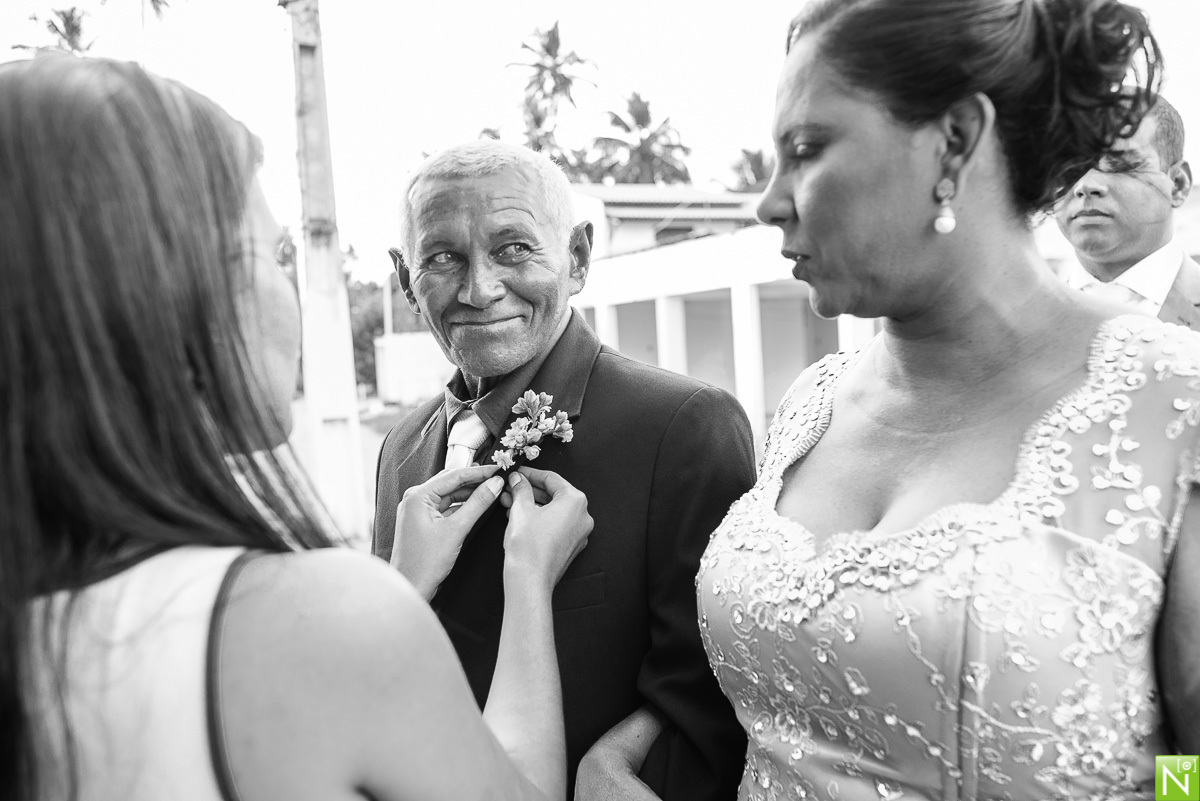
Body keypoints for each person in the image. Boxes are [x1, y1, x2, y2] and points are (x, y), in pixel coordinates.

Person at [4, 55, 594, 801]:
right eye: (274, 253)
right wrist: (527, 577)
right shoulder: (312, 620)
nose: (478, 288)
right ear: (173, 302)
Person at [692, 0, 1200, 797]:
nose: (769, 202)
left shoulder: (1173, 402)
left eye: (806, 150)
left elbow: (1196, 764)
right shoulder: (811, 405)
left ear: (955, 139)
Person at [374, 140, 753, 800]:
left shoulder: (683, 428)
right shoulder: (400, 448)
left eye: (513, 248)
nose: (479, 287)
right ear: (406, 279)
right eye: (442, 258)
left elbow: (712, 695)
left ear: (576, 257)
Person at [1056, 96, 1198, 326]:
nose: (1086, 185)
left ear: (1178, 184)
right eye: (1069, 167)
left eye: (1120, 166)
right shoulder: (1009, 323)